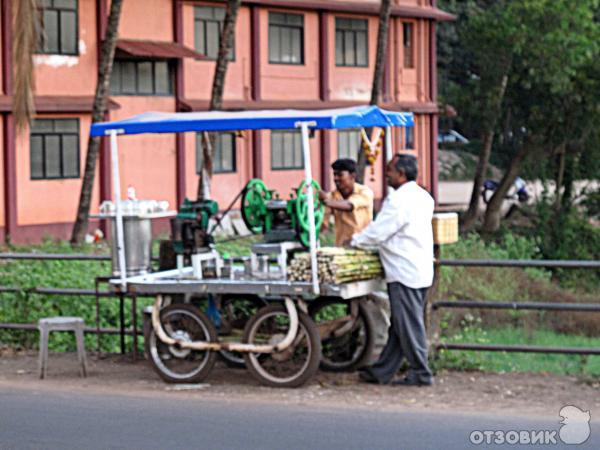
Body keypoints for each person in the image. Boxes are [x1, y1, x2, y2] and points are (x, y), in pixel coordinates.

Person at [351, 154, 434, 386]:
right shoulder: (423, 196)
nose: (386, 174)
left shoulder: (398, 200)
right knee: (400, 325)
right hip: (420, 267)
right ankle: (381, 372)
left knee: (408, 325)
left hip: (404, 270)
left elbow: (380, 231)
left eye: (389, 170)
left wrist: (356, 241)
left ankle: (421, 372)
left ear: (401, 174)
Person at [319, 158, 374, 246]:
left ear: (352, 176)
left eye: (340, 175)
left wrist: (326, 201)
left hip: (363, 245)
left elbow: (349, 205)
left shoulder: (365, 192)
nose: (336, 178)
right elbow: (323, 225)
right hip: (342, 247)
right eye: (334, 175)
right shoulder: (332, 196)